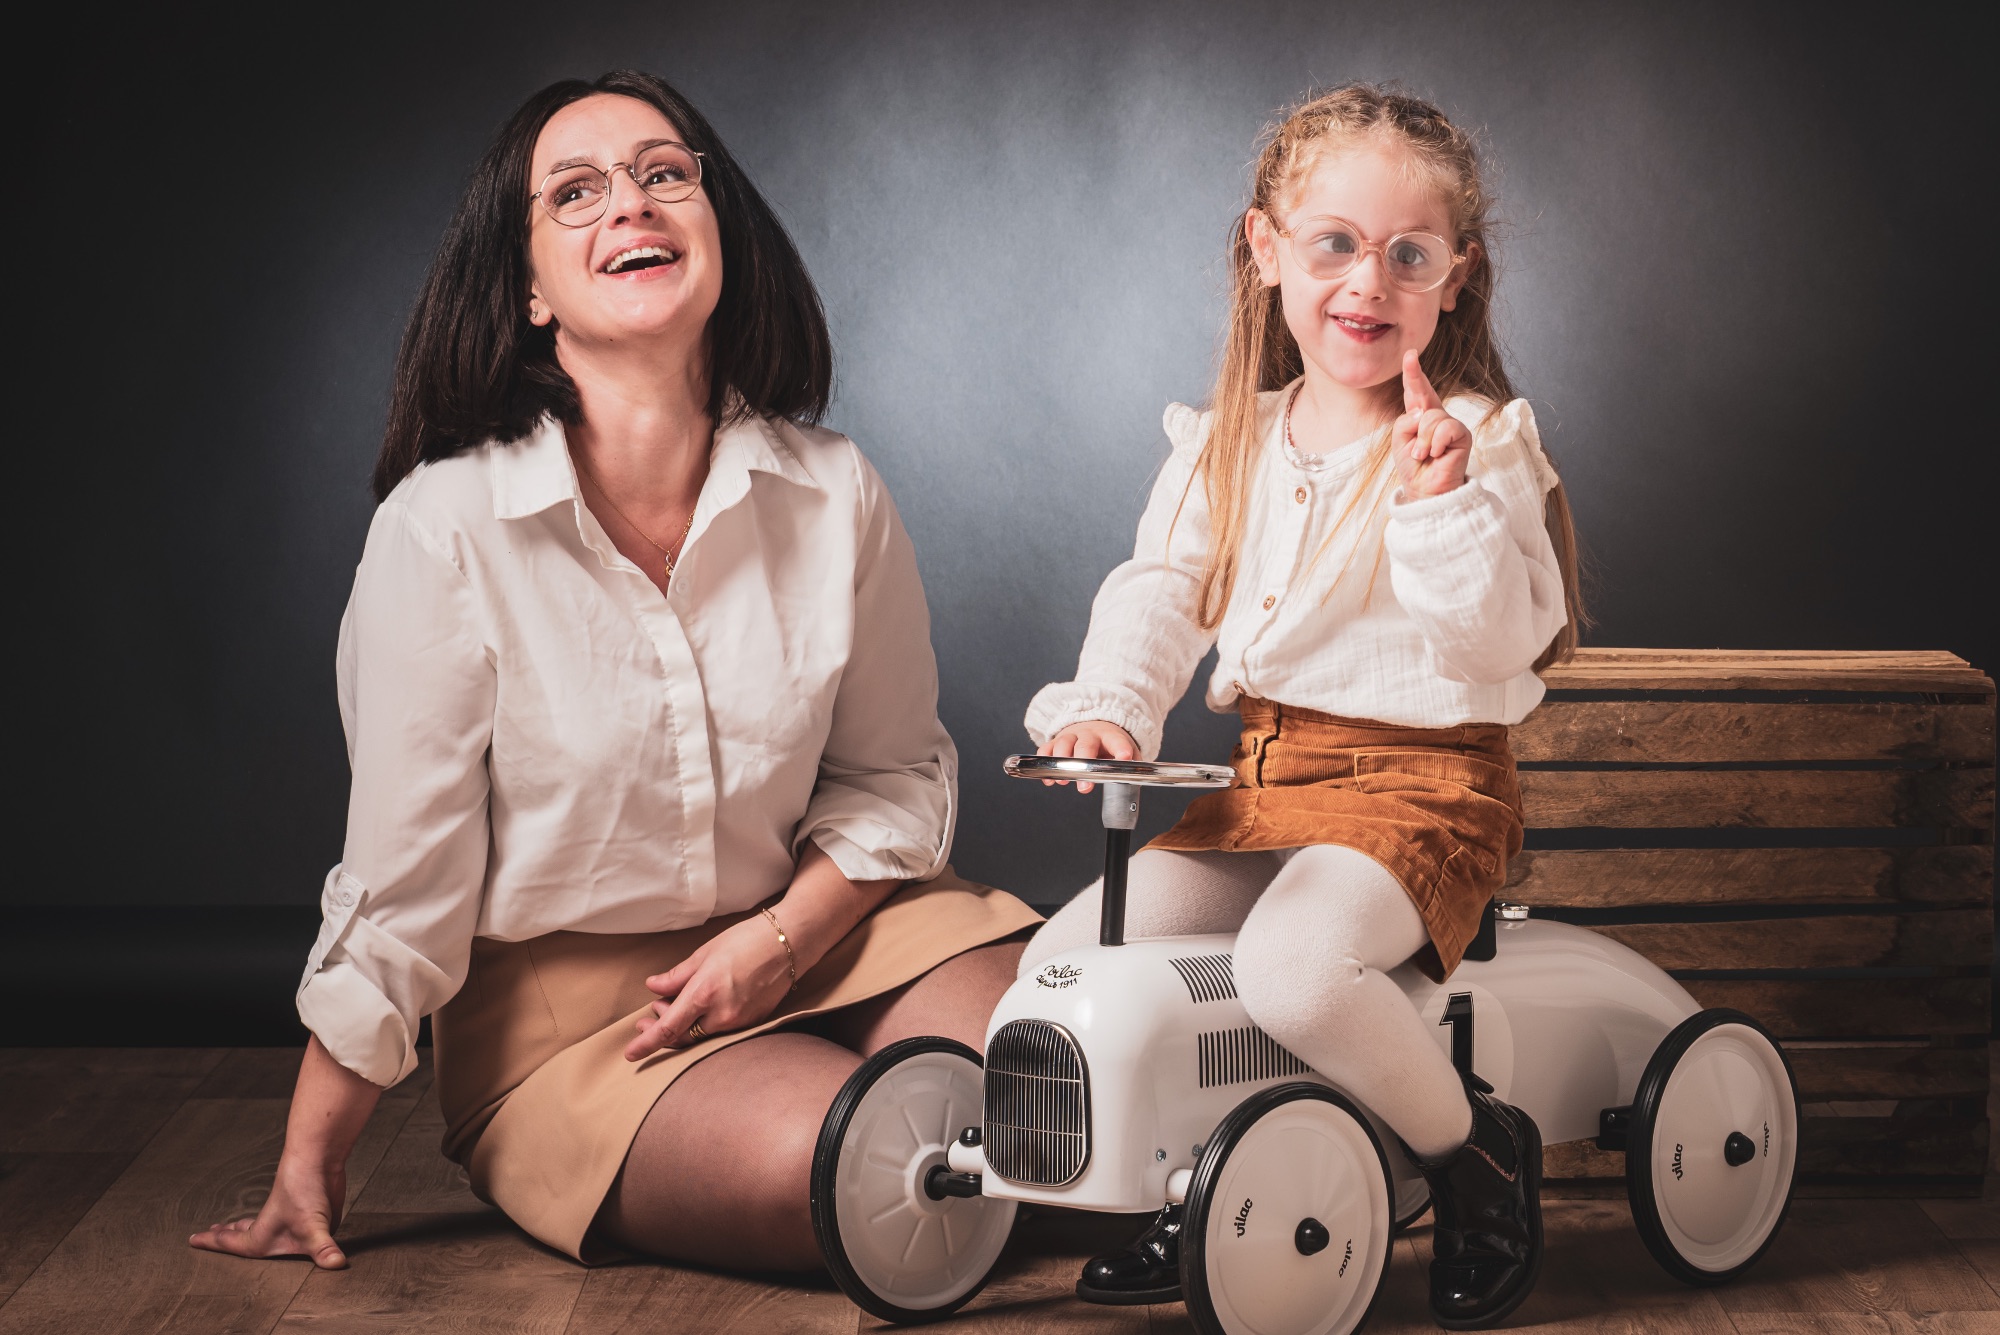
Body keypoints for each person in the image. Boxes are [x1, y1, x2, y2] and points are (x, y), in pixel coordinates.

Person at [189, 70, 1040, 1275]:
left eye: (662, 176)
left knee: (1079, 1084)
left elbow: (892, 778)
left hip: (836, 929)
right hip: (583, 1024)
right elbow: (404, 882)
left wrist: (782, 943)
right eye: (574, 192)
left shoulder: (835, 489)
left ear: (714, 229)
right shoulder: (445, 529)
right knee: (880, 1175)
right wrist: (307, 1165)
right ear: (528, 288)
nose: (629, 207)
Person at [1018, 84, 1585, 1329]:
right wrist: (1112, 703)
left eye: (1407, 255)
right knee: (1068, 959)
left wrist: (1438, 506)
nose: (1364, 283)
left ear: (1454, 278)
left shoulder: (1476, 442)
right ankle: (1209, 1183)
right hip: (1271, 785)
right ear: (1263, 250)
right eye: (1331, 243)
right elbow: (1162, 587)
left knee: (1291, 967)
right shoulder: (1232, 438)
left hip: (1428, 786)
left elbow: (1502, 642)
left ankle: (1471, 1152)